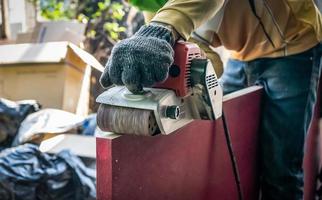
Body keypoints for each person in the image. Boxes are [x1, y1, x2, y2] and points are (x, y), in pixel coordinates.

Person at [100, 0, 322, 199]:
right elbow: (202, 55)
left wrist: (161, 29)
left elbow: (172, 21)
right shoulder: (147, 4)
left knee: (280, 168)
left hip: (293, 42)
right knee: (232, 151)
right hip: (241, 51)